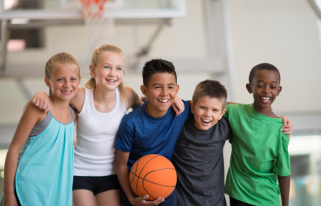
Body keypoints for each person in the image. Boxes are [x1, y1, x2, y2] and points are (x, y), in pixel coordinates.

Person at [29, 45, 184, 206]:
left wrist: (175, 97)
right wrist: (41, 94)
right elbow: (58, 95)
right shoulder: (81, 96)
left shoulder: (128, 95)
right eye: (106, 67)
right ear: (93, 70)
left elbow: (149, 109)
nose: (112, 73)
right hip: (79, 172)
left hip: (111, 174)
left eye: (118, 68)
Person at [172, 79, 293, 206]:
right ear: (192, 106)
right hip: (183, 202)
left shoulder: (223, 127)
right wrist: (174, 99)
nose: (207, 114)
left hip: (216, 202)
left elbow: (247, 115)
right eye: (202, 108)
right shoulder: (177, 125)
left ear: (222, 113)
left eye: (214, 110)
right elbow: (153, 102)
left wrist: (274, 117)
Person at [1, 52, 80, 206]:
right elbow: (14, 149)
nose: (67, 85)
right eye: (60, 79)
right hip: (28, 188)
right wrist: (9, 193)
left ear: (79, 81)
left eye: (73, 79)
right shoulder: (39, 108)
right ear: (48, 81)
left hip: (57, 192)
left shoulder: (74, 113)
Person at [115, 59, 193, 206]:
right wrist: (132, 199)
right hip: (136, 190)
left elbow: (210, 105)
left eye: (170, 87)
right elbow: (120, 164)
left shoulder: (181, 111)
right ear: (144, 90)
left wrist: (245, 108)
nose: (164, 93)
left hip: (166, 186)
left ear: (176, 90)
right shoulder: (130, 123)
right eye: (157, 87)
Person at [223, 63, 291, 206]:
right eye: (260, 85)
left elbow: (284, 171)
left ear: (278, 90)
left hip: (268, 199)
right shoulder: (236, 112)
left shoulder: (281, 129)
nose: (266, 91)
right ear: (250, 87)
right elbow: (214, 104)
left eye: (272, 87)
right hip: (239, 194)